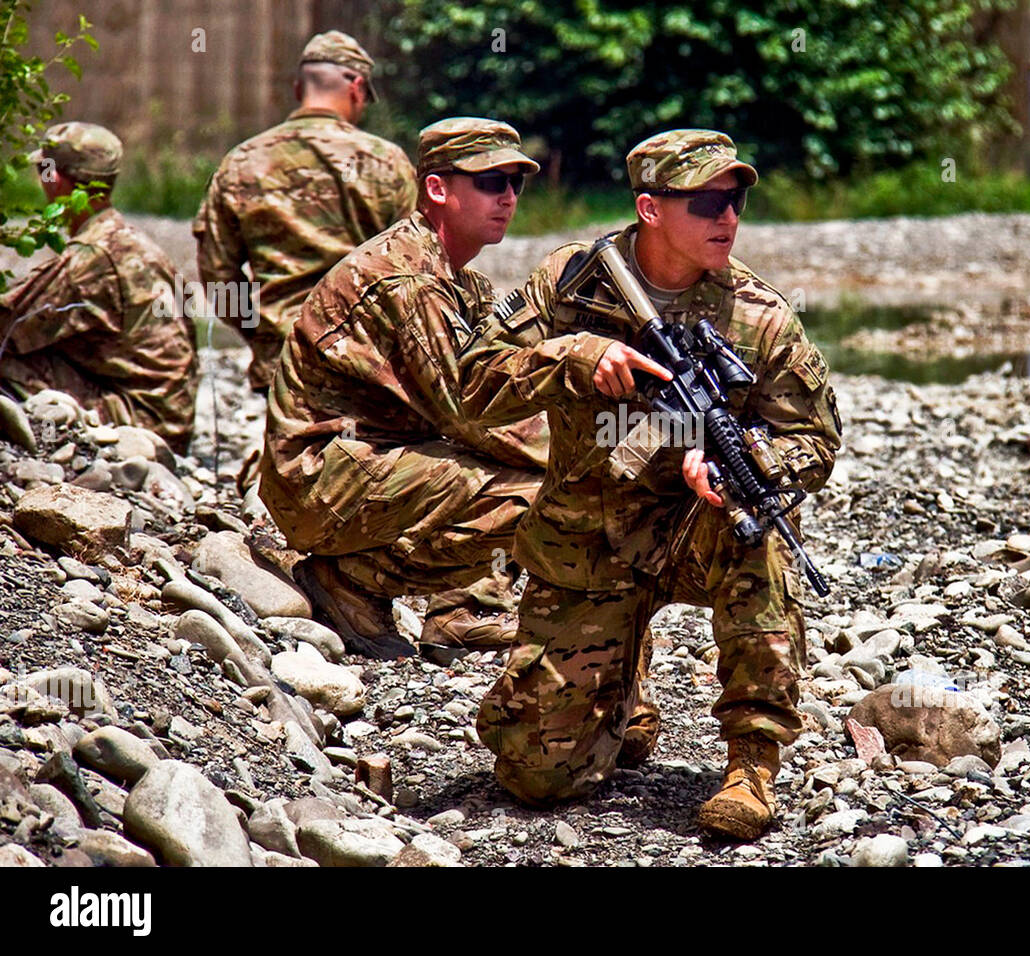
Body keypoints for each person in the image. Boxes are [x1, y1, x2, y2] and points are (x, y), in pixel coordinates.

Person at [457, 129, 842, 840]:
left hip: (698, 530)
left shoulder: (758, 314)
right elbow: (471, 385)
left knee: (756, 531)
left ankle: (751, 765)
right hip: (589, 540)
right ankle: (622, 687)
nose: (728, 217)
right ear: (650, 209)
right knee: (534, 776)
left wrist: (744, 463)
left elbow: (815, 439)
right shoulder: (571, 283)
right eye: (706, 202)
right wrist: (572, 357)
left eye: (737, 199)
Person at [260, 117, 550, 662]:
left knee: (521, 463)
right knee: (537, 491)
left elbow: (498, 385)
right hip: (318, 477)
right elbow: (470, 409)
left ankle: (462, 610)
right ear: (437, 188)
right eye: (490, 182)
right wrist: (579, 455)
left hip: (365, 460)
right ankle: (354, 582)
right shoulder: (410, 280)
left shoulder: (460, 279)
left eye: (517, 183)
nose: (508, 197)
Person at [193, 30, 417, 394]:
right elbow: (414, 266)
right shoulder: (386, 162)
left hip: (281, 363)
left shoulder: (242, 161)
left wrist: (263, 333)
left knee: (286, 451)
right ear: (357, 88)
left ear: (298, 89)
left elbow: (218, 277)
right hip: (367, 364)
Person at [0, 122, 198, 453]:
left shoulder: (92, 256)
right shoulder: (135, 242)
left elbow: (8, 323)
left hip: (140, 421)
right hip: (171, 416)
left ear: (55, 179)